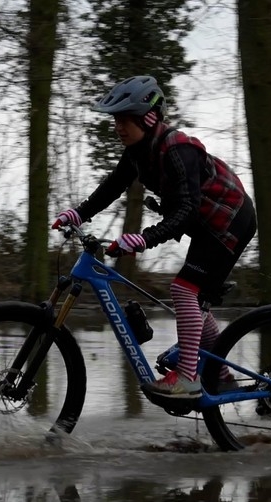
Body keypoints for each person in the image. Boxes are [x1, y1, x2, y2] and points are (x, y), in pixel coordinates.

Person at [51, 76, 256, 397]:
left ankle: (188, 377)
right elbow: (111, 187)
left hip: (230, 220)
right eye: (115, 120)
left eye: (124, 120)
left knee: (183, 289)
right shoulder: (137, 152)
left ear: (147, 118)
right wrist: (78, 213)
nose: (118, 127)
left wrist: (143, 238)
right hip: (207, 226)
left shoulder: (178, 149)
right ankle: (221, 376)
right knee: (194, 298)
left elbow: (186, 211)